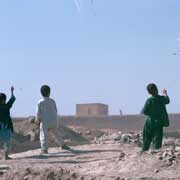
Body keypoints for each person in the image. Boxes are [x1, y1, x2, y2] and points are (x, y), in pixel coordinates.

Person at [35, 85, 70, 154]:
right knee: (56, 133)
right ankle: (63, 145)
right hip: (54, 120)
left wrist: (37, 121)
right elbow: (55, 110)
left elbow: (38, 113)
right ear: (49, 92)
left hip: (45, 122)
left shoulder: (40, 102)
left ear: (41, 93)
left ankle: (44, 149)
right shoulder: (52, 101)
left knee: (43, 135)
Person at [141, 83, 170, 152]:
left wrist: (152, 113)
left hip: (149, 121)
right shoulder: (161, 98)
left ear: (149, 92)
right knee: (157, 138)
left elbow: (145, 111)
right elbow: (168, 101)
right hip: (158, 122)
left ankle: (144, 151)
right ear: (156, 89)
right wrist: (165, 93)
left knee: (147, 138)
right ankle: (155, 152)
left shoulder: (149, 100)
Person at [0, 86, 16, 160]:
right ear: (4, 100)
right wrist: (12, 91)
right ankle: (6, 156)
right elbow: (12, 99)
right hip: (7, 126)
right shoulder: (6, 106)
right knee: (7, 142)